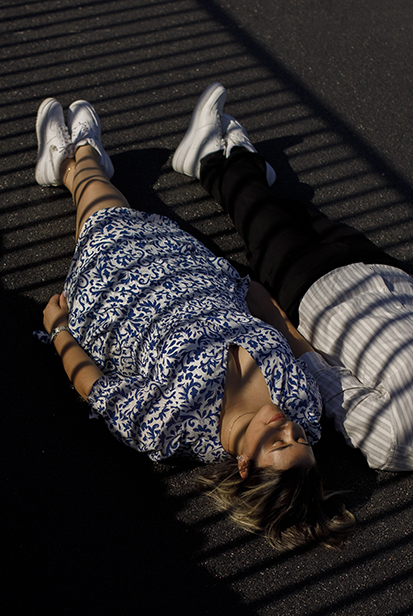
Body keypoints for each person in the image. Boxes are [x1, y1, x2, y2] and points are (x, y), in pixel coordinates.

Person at [172, 82, 413, 526]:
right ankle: (246, 163)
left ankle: (207, 159)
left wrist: (273, 313)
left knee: (260, 219)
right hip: (386, 276)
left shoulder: (394, 438)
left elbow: (322, 373)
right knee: (302, 214)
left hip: (314, 293)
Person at [35, 97, 354, 549]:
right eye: (299, 438)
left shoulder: (171, 426)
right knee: (110, 206)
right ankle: (73, 164)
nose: (289, 427)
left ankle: (77, 158)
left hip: (118, 287)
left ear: (245, 464)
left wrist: (59, 330)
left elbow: (96, 388)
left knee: (103, 207)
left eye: (281, 443)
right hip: (196, 271)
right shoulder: (302, 407)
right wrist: (259, 296)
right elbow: (289, 338)